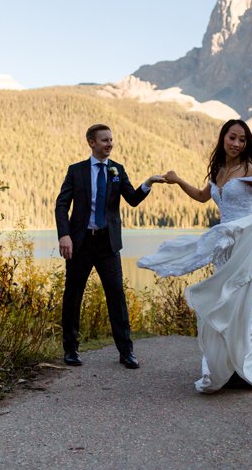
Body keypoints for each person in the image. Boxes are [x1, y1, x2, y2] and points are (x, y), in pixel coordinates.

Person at [138, 119, 252, 393]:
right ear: (223, 137)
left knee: (240, 305)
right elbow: (202, 197)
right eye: (232, 137)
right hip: (224, 247)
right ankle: (227, 366)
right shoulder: (218, 170)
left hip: (245, 245)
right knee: (223, 302)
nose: (236, 143)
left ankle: (243, 366)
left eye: (242, 140)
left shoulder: (250, 169)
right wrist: (178, 179)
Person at [55, 124, 163, 369]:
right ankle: (70, 350)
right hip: (80, 243)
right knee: (73, 296)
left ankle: (126, 353)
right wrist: (64, 235)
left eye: (111, 140)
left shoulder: (117, 170)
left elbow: (133, 200)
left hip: (108, 243)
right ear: (91, 142)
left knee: (116, 296)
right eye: (105, 140)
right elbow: (62, 205)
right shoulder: (76, 171)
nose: (110, 144)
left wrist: (149, 182)